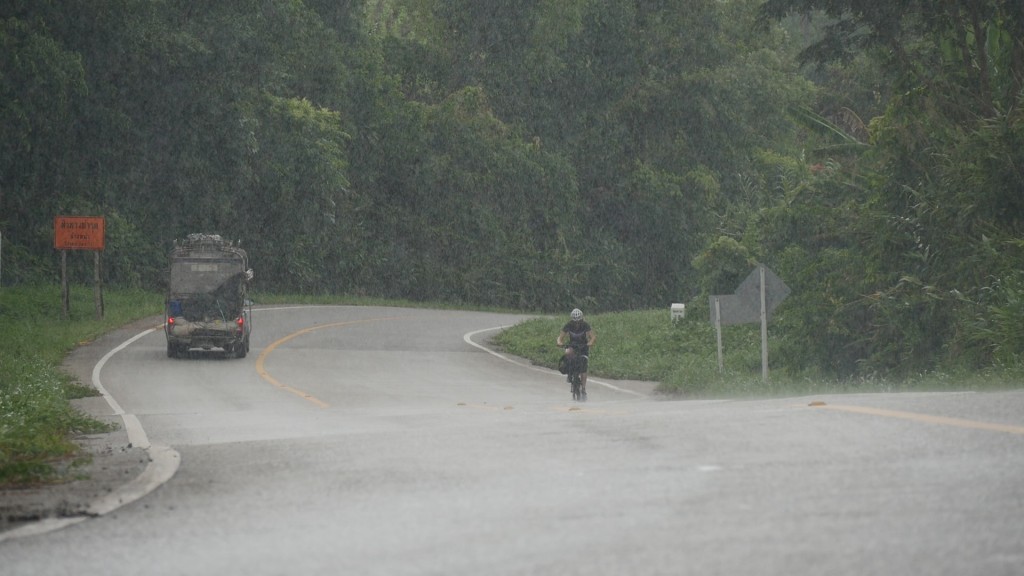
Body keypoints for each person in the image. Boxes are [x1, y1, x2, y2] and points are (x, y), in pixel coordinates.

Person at [557, 308, 596, 399]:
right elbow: (560, 337)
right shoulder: (568, 325)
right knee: (567, 353)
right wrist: (559, 342)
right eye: (575, 322)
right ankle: (569, 373)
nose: (577, 324)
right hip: (572, 346)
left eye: (579, 322)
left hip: (583, 347)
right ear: (572, 321)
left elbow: (592, 337)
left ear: (581, 320)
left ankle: (583, 389)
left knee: (583, 368)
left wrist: (590, 343)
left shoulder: (585, 325)